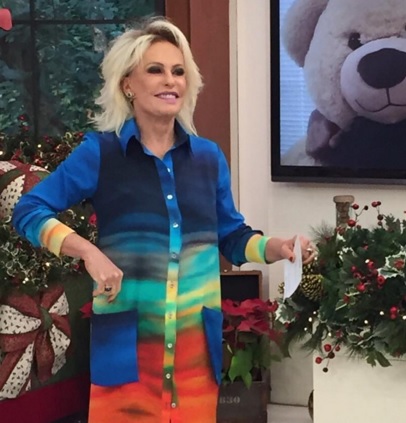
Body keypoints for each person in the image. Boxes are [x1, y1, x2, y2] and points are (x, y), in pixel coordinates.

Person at [12, 17, 315, 423]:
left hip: (193, 359)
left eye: (178, 71)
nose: (170, 80)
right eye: (155, 70)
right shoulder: (100, 153)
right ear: (128, 84)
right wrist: (87, 252)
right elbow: (28, 210)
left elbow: (230, 235)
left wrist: (275, 247)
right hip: (128, 358)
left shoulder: (207, 158)